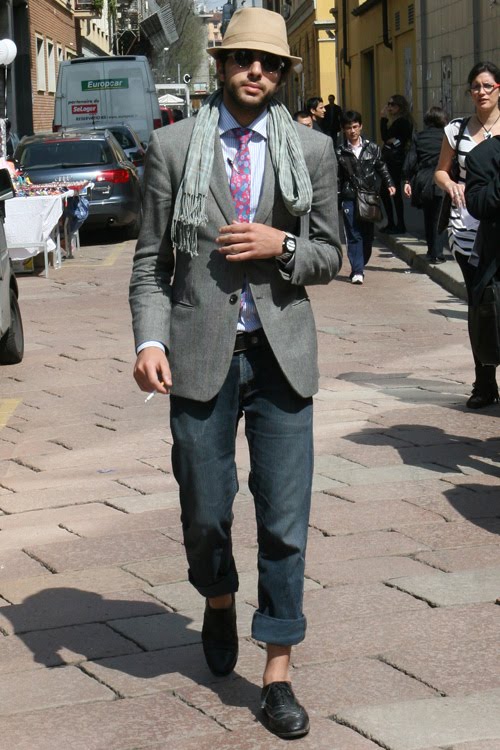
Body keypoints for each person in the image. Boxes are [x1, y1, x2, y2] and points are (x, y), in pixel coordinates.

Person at [129, 6, 342, 740]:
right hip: (199, 355)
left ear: (283, 75)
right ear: (222, 65)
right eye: (245, 59)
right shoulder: (173, 147)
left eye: (271, 63)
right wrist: (149, 341)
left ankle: (277, 671)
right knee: (205, 510)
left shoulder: (312, 149)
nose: (257, 71)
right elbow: (150, 265)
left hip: (282, 359)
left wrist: (285, 246)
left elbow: (331, 253)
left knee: (284, 520)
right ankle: (218, 597)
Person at [435, 61, 500, 408]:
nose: (481, 92)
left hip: (498, 226)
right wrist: (450, 185)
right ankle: (484, 382)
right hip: (467, 230)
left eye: (488, 85)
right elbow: (440, 171)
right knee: (481, 304)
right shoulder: (457, 130)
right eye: (475, 86)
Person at [336, 110, 395, 284]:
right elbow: (336, 177)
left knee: (367, 236)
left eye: (355, 126)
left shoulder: (372, 148)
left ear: (361, 126)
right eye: (348, 128)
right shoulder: (340, 151)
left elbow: (381, 167)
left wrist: (390, 183)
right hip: (349, 196)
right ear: (343, 129)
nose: (352, 131)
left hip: (369, 197)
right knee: (353, 234)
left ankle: (360, 263)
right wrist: (336, 196)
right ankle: (357, 271)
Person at [403, 106, 449, 263]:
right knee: (439, 217)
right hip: (441, 178)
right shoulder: (446, 137)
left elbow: (411, 160)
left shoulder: (419, 137)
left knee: (428, 216)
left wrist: (407, 180)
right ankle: (437, 253)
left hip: (423, 180)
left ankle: (431, 250)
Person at [379, 94, 413, 234]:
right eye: (388, 104)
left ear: (400, 106)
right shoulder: (398, 121)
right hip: (392, 158)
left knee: (391, 191)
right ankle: (393, 223)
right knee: (388, 191)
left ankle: (398, 224)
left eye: (392, 104)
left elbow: (386, 137)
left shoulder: (402, 122)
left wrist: (383, 118)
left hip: (395, 160)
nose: (389, 107)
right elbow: (388, 139)